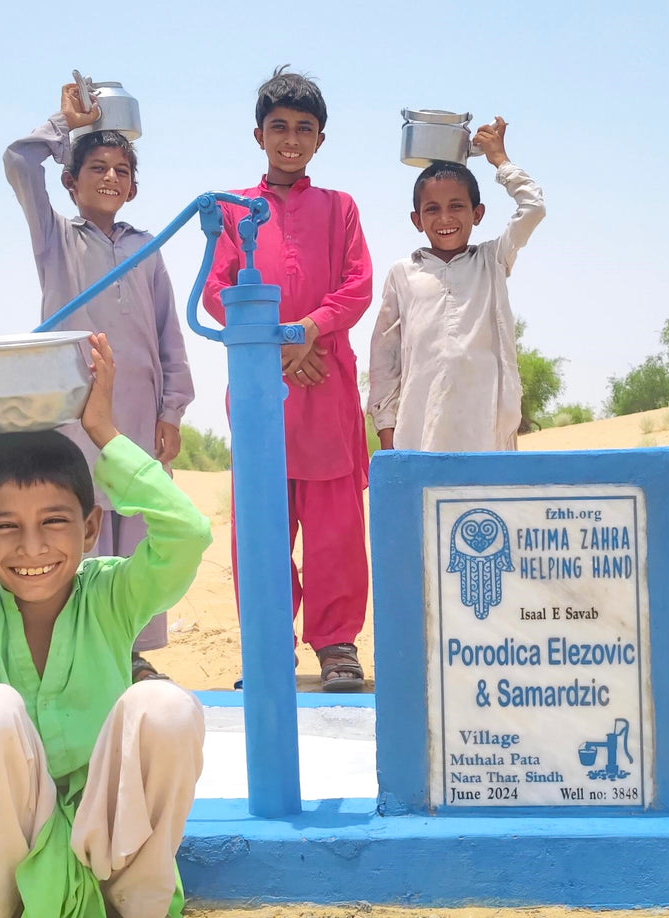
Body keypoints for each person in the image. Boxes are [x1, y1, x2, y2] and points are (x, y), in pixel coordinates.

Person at [0, 329, 210, 917]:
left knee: (165, 707)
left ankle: (139, 907)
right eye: (4, 526)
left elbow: (188, 534)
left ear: (88, 529)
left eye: (54, 522)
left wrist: (104, 431)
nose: (32, 547)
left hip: (106, 843)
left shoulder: (109, 593)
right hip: (1, 854)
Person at [4, 81, 195, 681]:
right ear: (71, 179)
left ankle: (130, 653)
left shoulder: (147, 248)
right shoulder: (54, 238)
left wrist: (173, 412)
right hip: (71, 413)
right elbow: (17, 162)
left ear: (133, 185)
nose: (109, 178)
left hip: (138, 414)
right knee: (76, 520)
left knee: (136, 525)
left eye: (120, 170)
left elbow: (169, 334)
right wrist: (63, 125)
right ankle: (73, 651)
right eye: (97, 168)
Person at [202, 66, 372, 691]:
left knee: (335, 528)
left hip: (326, 389)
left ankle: (336, 648)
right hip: (261, 392)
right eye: (280, 127)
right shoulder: (231, 210)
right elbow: (217, 292)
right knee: (263, 526)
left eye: (304, 129)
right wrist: (281, 344)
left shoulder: (341, 208)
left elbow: (357, 287)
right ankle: (269, 649)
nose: (291, 139)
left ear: (320, 139)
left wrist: (308, 329)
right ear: (259, 135)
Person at [367, 117, 545, 452]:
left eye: (457, 206)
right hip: (419, 434)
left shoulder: (492, 261)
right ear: (417, 220)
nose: (445, 218)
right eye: (432, 209)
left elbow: (533, 207)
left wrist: (501, 162)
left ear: (477, 213)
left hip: (486, 432)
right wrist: (388, 434)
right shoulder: (403, 274)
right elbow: (385, 360)